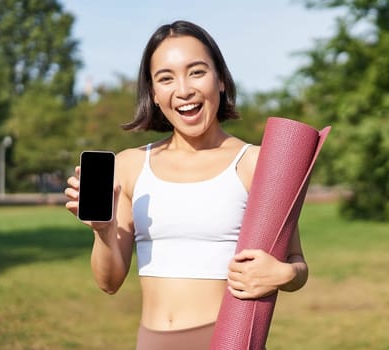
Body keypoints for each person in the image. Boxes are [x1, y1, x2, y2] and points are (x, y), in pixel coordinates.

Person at [64, 20, 308, 349]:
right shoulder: (130, 166)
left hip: (227, 340)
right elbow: (108, 283)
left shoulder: (257, 163)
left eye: (196, 72)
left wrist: (284, 275)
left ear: (220, 80)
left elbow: (297, 263)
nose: (183, 90)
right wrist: (103, 231)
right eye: (166, 78)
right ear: (153, 92)